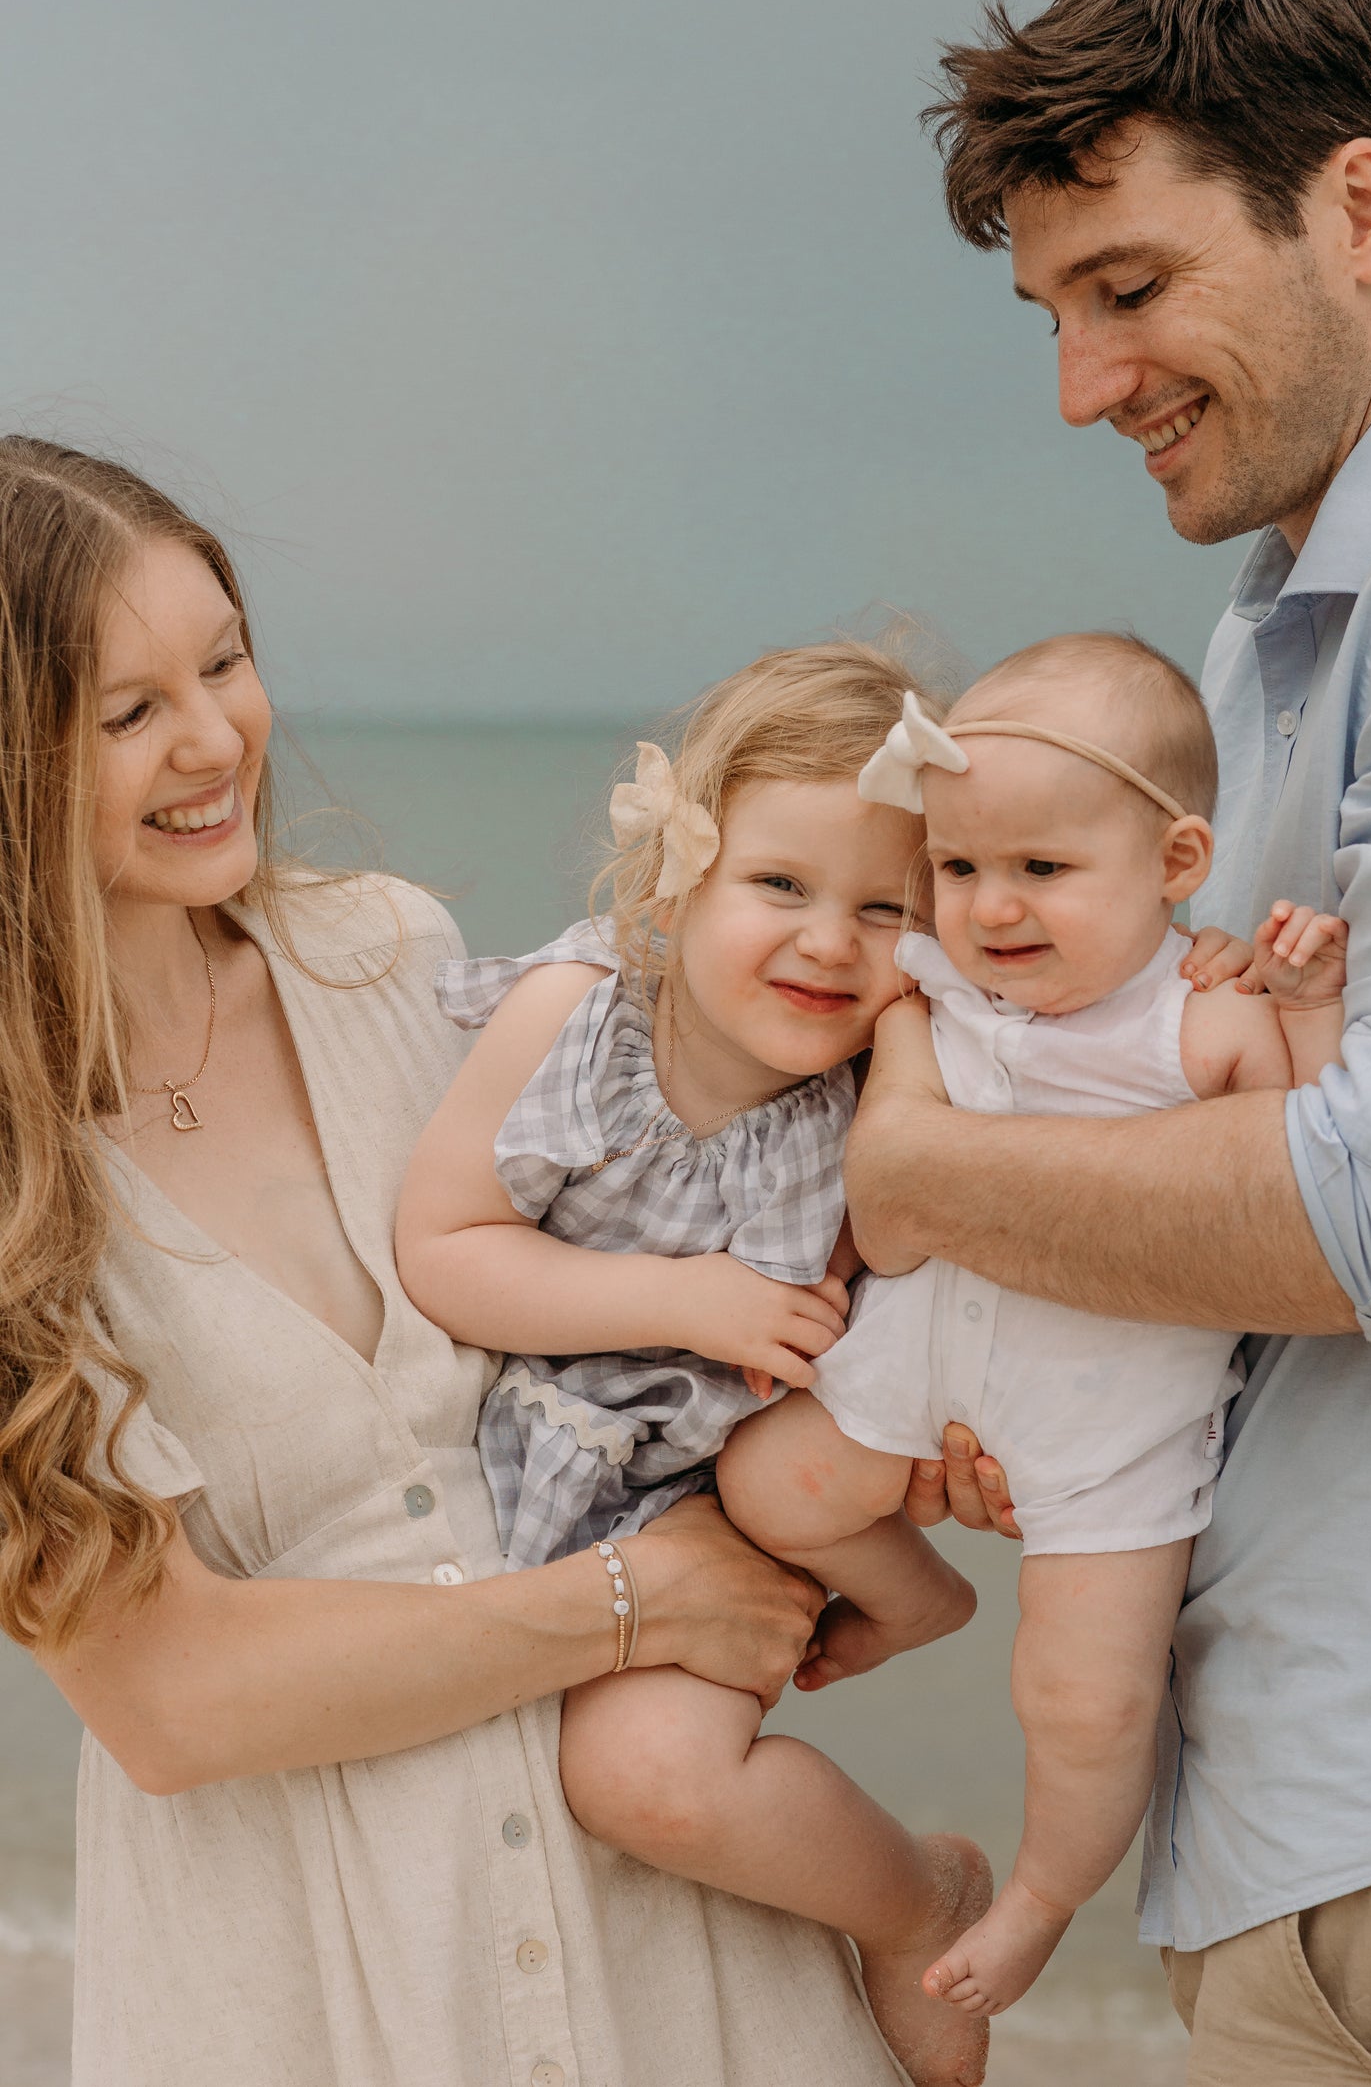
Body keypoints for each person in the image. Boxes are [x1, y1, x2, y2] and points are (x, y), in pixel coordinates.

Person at [0, 437, 912, 2087]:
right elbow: (170, 1699)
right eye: (129, 711)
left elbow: (739, 1185)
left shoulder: (393, 957)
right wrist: (627, 1600)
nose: (215, 739)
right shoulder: (14, 1181)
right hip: (299, 1985)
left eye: (225, 662)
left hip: (658, 1928)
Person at [849, 0, 1371, 2079]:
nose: (1081, 384)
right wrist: (1031, 1365)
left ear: (1357, 209)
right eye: (1053, 313)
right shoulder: (1274, 634)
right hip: (1306, 1815)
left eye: (1127, 287)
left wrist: (928, 1184)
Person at [720, 631, 1346, 2022]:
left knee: (1086, 1698)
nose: (992, 907)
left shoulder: (1198, 1024)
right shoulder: (933, 991)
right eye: (957, 867)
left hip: (1116, 1422)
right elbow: (861, 1176)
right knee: (768, 1480)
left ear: (1177, 864)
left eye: (1043, 869)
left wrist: (1307, 1003)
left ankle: (1039, 1899)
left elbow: (1317, 1173)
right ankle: (912, 1596)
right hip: (921, 1366)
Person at [395, 641, 990, 2087]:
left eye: (887, 909)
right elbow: (445, 1245)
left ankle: (918, 1902)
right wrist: (684, 1296)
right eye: (780, 884)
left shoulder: (884, 1094)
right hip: (545, 1450)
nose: (830, 942)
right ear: (679, 879)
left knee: (647, 1780)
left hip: (730, 1492)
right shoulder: (579, 1019)